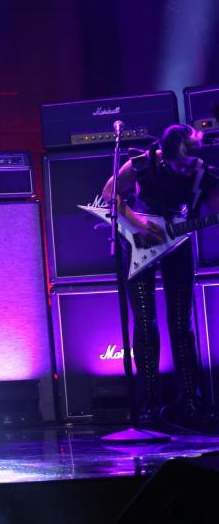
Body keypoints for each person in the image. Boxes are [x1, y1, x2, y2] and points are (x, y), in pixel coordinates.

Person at [102, 123, 219, 430]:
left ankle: (190, 404)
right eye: (179, 161)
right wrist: (135, 220)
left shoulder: (201, 173)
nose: (185, 167)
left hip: (178, 244)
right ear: (164, 155)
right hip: (139, 244)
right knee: (144, 324)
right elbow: (108, 192)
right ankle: (151, 405)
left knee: (181, 324)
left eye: (190, 160)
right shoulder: (141, 162)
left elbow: (213, 210)